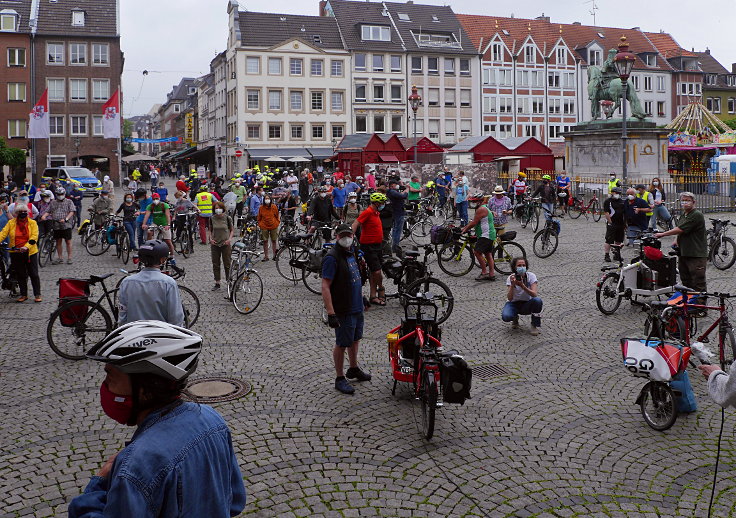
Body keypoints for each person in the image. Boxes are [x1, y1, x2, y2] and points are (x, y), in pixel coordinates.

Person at [68, 321, 246, 516]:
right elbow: (235, 501)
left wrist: (99, 483)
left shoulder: (134, 466)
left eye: (110, 378)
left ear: (145, 389)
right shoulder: (213, 420)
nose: (105, 387)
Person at [321, 224, 372, 395]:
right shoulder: (332, 257)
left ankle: (353, 368)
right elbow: (325, 286)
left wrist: (362, 297)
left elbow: (355, 277)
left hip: (356, 305)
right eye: (342, 235)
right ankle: (339, 377)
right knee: (342, 343)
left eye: (348, 234)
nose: (346, 238)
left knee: (355, 339)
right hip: (343, 308)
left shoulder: (354, 252)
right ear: (336, 237)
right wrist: (331, 313)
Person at [117, 240, 184, 326]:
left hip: (134, 334)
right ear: (162, 260)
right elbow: (176, 317)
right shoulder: (168, 283)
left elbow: (123, 314)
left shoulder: (126, 282)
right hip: (160, 334)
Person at [655, 191, 707, 293]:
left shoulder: (696, 215)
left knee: (698, 282)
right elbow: (681, 229)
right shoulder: (684, 214)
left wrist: (662, 234)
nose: (685, 203)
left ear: (693, 202)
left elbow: (680, 229)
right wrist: (676, 240)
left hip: (695, 254)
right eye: (683, 200)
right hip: (684, 252)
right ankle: (688, 303)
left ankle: (700, 306)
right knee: (686, 281)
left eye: (687, 200)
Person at [0, 205, 41, 302]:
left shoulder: (32, 223)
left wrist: (26, 246)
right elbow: (3, 233)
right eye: (20, 212)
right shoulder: (11, 223)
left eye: (24, 211)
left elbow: (34, 237)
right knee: (21, 274)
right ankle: (23, 294)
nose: (23, 213)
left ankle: (37, 294)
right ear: (16, 213)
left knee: (33, 273)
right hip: (15, 252)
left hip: (30, 252)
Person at [352, 192, 386, 307]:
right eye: (382, 203)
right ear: (376, 203)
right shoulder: (367, 212)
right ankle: (381, 289)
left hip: (378, 245)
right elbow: (356, 222)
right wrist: (351, 236)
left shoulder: (376, 212)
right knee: (377, 271)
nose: (383, 204)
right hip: (368, 246)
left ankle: (373, 296)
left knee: (373, 271)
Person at [502, 257, 543, 336]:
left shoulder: (531, 276)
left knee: (538, 301)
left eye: (523, 265)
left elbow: (534, 294)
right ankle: (514, 317)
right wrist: (512, 285)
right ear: (515, 267)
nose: (522, 267)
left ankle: (534, 325)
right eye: (519, 265)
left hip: (527, 303)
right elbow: (510, 298)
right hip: (514, 303)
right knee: (506, 316)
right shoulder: (511, 278)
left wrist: (523, 286)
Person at [462, 198, 496, 281]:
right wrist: (465, 227)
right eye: (472, 202)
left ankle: (484, 273)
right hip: (488, 234)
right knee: (488, 254)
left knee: (477, 252)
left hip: (486, 235)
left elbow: (474, 222)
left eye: (474, 201)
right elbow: (475, 221)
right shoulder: (484, 207)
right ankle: (491, 274)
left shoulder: (481, 209)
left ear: (479, 202)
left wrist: (464, 229)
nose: (473, 203)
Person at [43, 187, 76, 264]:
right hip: (56, 224)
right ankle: (60, 257)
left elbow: (72, 211)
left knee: (68, 241)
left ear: (64, 194)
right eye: (58, 194)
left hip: (66, 224)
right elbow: (48, 211)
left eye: (61, 194)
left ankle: (69, 257)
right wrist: (44, 216)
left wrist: (66, 219)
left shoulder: (69, 201)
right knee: (58, 241)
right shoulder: (53, 202)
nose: (60, 195)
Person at [209, 201, 234, 290]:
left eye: (219, 208)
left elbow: (231, 230)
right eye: (216, 208)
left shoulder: (227, 218)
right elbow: (210, 230)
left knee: (227, 263)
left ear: (222, 209)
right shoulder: (212, 218)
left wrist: (229, 239)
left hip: (225, 243)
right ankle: (217, 282)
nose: (217, 210)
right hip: (215, 243)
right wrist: (210, 239)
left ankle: (229, 280)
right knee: (216, 263)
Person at [142, 193, 175, 257]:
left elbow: (167, 215)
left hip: (164, 224)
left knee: (168, 241)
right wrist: (144, 224)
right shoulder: (150, 206)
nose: (155, 200)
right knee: (149, 232)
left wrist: (168, 224)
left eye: (157, 199)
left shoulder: (164, 205)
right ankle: (150, 246)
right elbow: (147, 215)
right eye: (154, 199)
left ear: (159, 198)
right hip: (155, 223)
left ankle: (172, 255)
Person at [603, 187, 625, 263]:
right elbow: (606, 212)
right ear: (612, 193)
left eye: (619, 193)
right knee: (609, 239)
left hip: (620, 223)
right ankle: (606, 255)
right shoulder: (608, 201)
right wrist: (610, 222)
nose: (617, 195)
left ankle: (616, 254)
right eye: (616, 193)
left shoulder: (622, 201)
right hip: (612, 223)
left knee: (619, 240)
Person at [387, 179, 407, 253]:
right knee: (397, 230)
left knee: (395, 230)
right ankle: (395, 247)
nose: (397, 186)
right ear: (392, 186)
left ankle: (394, 245)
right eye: (396, 185)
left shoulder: (391, 191)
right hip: (398, 212)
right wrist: (407, 190)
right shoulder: (392, 191)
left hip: (396, 212)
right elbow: (403, 196)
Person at [257, 194, 279, 261]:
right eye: (265, 199)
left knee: (274, 241)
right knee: (265, 241)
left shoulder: (274, 207)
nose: (267, 200)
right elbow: (259, 217)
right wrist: (260, 224)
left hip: (273, 225)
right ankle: (266, 256)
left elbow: (277, 215)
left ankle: (275, 256)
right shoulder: (261, 208)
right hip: (264, 226)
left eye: (268, 198)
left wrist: (277, 222)